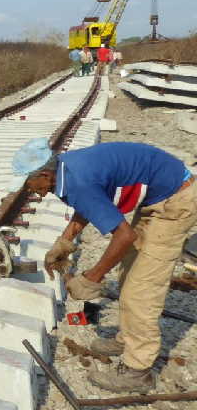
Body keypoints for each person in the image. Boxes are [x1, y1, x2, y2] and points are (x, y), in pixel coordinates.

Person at [12, 139, 196, 392]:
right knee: (128, 272)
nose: (30, 190)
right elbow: (91, 203)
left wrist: (92, 277)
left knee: (141, 290)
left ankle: (138, 371)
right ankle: (128, 339)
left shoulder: (78, 182)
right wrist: (64, 243)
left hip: (175, 202)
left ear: (45, 174)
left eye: (29, 184)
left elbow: (124, 235)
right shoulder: (66, 169)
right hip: (161, 193)